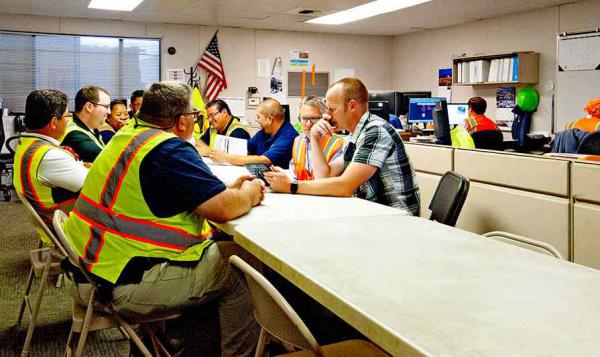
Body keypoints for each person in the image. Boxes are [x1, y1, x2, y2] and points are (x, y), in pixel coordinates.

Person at [62, 81, 264, 356]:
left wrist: (224, 191)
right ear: (181, 122)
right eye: (195, 117)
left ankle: (186, 341)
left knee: (221, 254)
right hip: (122, 284)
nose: (196, 122)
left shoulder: (129, 135)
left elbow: (168, 189)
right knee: (242, 267)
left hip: (95, 266)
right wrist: (250, 193)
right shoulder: (168, 148)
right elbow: (223, 210)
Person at [264, 78, 421, 216]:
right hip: (373, 213)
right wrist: (314, 138)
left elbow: (345, 186)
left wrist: (291, 186)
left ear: (352, 106)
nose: (327, 116)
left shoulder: (375, 131)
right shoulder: (355, 135)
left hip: (396, 219)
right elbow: (324, 176)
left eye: (332, 109)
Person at [13, 89, 88, 236]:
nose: (70, 120)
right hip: (69, 227)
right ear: (54, 122)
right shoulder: (49, 155)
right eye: (67, 116)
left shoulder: (27, 144)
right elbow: (95, 184)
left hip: (52, 219)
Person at [209, 98, 298, 169]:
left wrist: (226, 158)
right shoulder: (264, 132)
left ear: (270, 119)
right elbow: (245, 148)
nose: (257, 120)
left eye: (258, 117)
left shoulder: (288, 136)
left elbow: (265, 160)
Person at [290, 96, 344, 181]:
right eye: (304, 118)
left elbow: (327, 180)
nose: (308, 124)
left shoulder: (337, 144)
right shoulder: (298, 141)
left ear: (325, 119)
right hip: (301, 193)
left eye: (313, 118)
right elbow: (293, 173)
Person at [60, 85, 110, 162]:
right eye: (106, 106)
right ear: (89, 107)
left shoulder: (91, 127)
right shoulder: (75, 135)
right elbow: (107, 161)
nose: (109, 112)